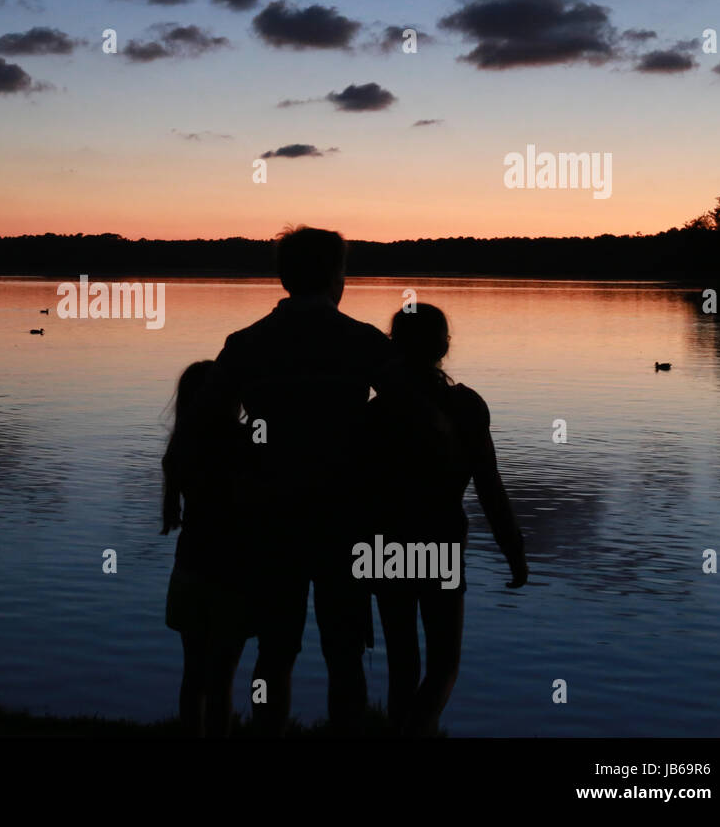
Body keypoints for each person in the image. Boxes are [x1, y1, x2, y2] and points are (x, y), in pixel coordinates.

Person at [214, 226, 399, 735]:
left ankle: (267, 731)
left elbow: (215, 426)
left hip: (270, 516)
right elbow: (406, 414)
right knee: (344, 647)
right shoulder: (362, 341)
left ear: (284, 276)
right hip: (345, 517)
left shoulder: (246, 343)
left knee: (274, 647)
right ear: (337, 277)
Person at [364, 303, 528, 736]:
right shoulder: (467, 406)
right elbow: (490, 488)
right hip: (440, 542)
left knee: (402, 665)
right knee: (444, 665)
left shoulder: (376, 413)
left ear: (394, 346)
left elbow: (357, 492)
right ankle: (419, 729)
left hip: (385, 545)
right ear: (444, 346)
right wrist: (513, 548)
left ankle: (405, 730)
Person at [161, 360, 258, 737]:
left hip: (190, 568)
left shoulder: (181, 447)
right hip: (233, 573)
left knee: (195, 675)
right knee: (222, 681)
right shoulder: (239, 444)